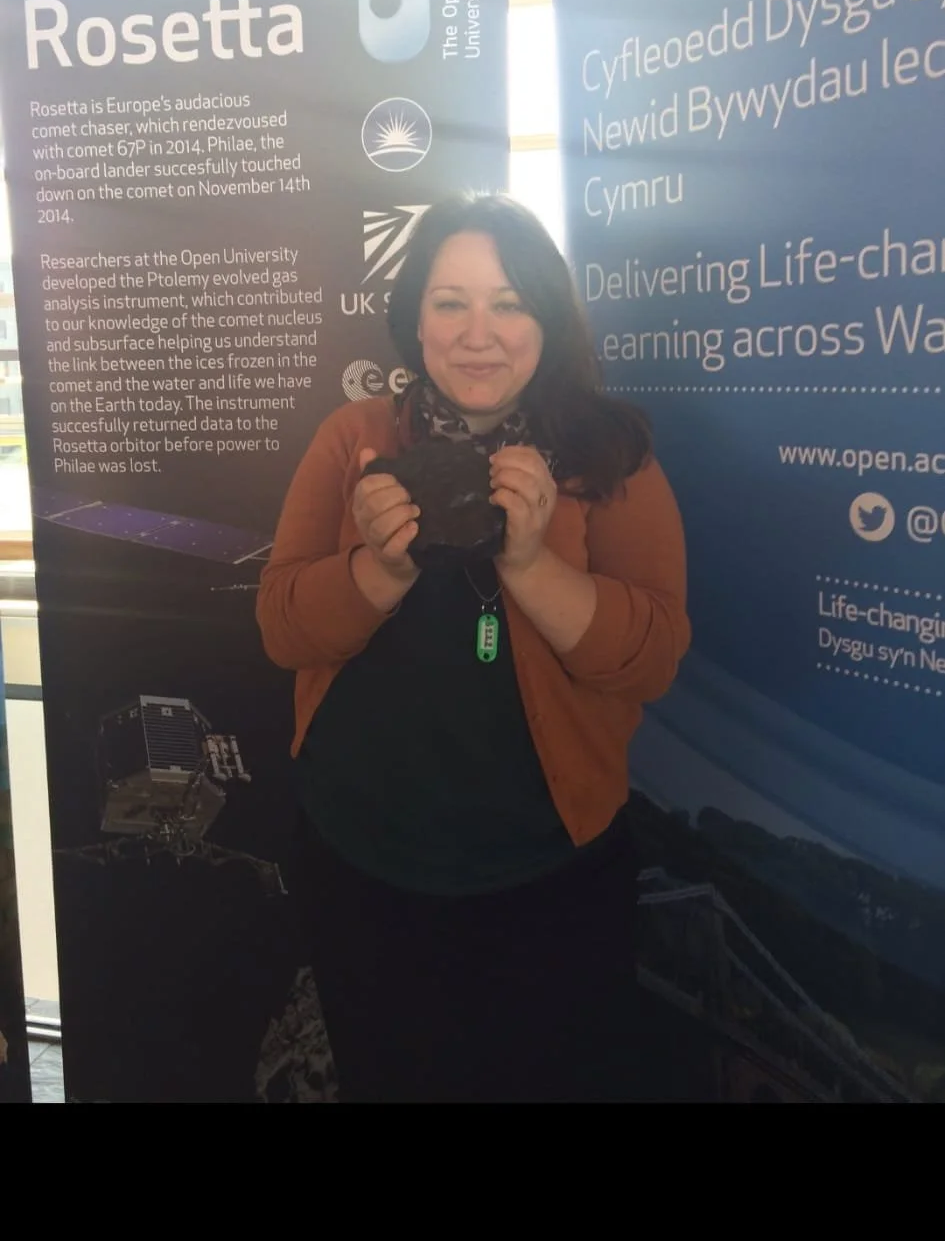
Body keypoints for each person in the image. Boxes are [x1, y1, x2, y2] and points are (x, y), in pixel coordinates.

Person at [257, 193, 690, 1102]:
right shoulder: (354, 440)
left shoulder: (610, 455)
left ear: (547, 320)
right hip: (359, 862)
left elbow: (651, 657)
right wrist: (378, 567)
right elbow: (283, 628)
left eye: (509, 303)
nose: (477, 334)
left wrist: (529, 563)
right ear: (414, 319)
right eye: (449, 302)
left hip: (549, 872)